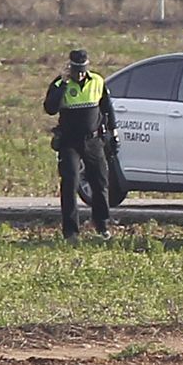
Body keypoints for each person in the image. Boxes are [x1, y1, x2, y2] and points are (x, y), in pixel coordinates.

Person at [43, 48, 116, 242]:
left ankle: (102, 224)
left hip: (93, 141)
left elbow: (107, 109)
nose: (81, 74)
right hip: (69, 141)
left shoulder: (98, 81)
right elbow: (50, 108)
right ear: (70, 68)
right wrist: (64, 84)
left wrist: (113, 132)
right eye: (77, 70)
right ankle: (71, 232)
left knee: (100, 182)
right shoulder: (60, 84)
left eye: (83, 69)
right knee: (70, 183)